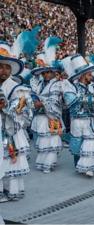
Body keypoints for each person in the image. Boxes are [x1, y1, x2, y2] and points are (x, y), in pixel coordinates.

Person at [0, 41, 32, 202]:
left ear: (11, 70)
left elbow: (23, 111)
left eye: (7, 67)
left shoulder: (17, 87)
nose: (3, 70)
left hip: (10, 132)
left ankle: (11, 191)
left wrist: (7, 107)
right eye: (1, 66)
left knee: (11, 161)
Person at [63, 54, 94, 177]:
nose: (92, 76)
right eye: (89, 74)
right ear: (82, 75)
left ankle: (89, 167)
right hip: (76, 120)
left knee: (90, 141)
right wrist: (89, 100)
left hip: (90, 120)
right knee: (77, 143)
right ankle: (79, 165)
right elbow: (70, 101)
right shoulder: (70, 86)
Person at [30, 37, 65, 173]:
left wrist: (41, 102)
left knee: (53, 140)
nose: (46, 74)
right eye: (44, 72)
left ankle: (49, 163)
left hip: (53, 117)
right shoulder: (38, 84)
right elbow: (32, 96)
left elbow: (56, 101)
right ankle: (42, 162)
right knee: (43, 141)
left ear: (53, 72)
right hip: (40, 118)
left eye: (48, 72)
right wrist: (34, 101)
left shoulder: (57, 84)